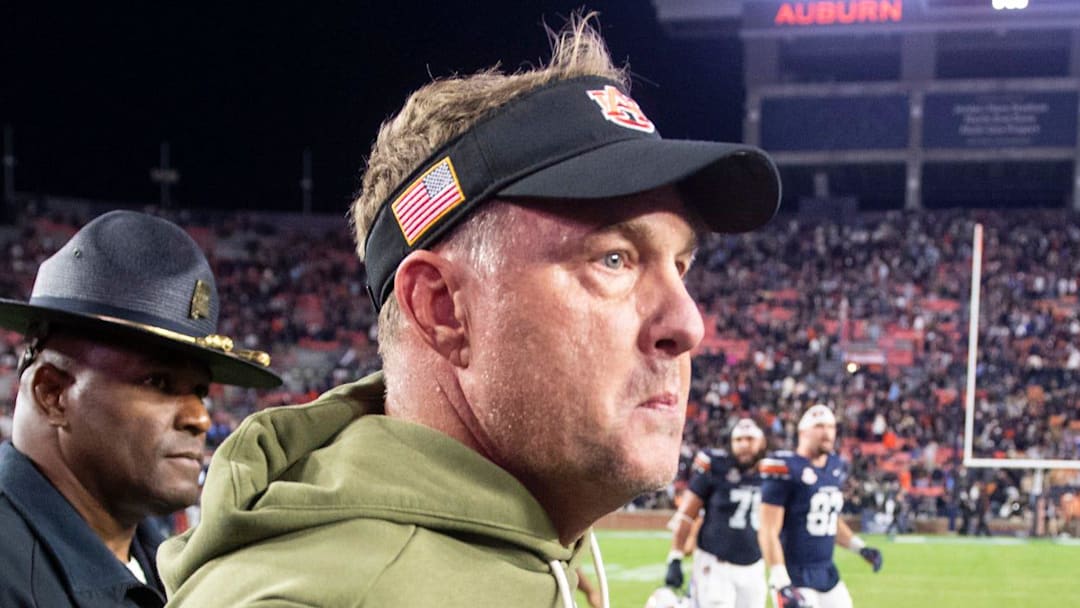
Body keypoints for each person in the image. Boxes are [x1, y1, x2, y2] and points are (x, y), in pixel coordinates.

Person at [159, 14, 781, 608]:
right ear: (442, 308)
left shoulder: (521, 542)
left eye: (681, 266)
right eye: (613, 259)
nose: (689, 324)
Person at [0, 210, 281, 607]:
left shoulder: (160, 563)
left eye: (199, 391)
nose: (198, 418)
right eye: (158, 382)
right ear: (53, 394)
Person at [757, 405, 883, 608]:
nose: (826, 432)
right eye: (819, 426)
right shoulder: (784, 467)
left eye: (831, 426)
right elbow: (768, 531)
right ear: (802, 432)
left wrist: (861, 548)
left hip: (826, 573)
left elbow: (829, 519)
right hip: (794, 575)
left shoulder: (834, 466)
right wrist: (781, 582)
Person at [664, 418, 769, 608]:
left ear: (762, 442)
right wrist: (675, 557)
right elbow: (687, 515)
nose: (744, 445)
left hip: (754, 565)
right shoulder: (716, 466)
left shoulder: (772, 473)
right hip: (715, 564)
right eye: (738, 440)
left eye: (749, 439)